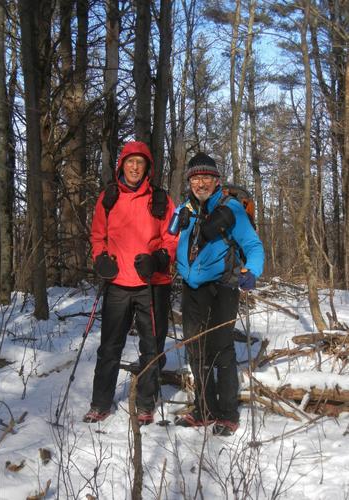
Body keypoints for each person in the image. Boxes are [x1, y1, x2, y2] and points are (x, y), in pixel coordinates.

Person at [84, 141, 177, 425]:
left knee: (151, 347)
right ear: (121, 165)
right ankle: (100, 404)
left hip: (152, 284)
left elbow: (172, 237)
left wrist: (159, 259)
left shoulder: (160, 199)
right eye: (130, 161)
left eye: (141, 162)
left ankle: (146, 405)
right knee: (109, 347)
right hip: (117, 283)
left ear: (148, 167)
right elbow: (98, 235)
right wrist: (100, 259)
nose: (135, 167)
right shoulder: (108, 197)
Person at [173, 152, 264, 436]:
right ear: (190, 181)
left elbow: (253, 245)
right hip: (192, 287)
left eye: (206, 178)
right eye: (196, 178)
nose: (201, 183)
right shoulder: (185, 208)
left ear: (216, 181)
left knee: (222, 349)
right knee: (196, 349)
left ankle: (227, 413)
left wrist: (251, 272)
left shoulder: (231, 208)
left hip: (223, 286)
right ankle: (204, 409)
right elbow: (172, 239)